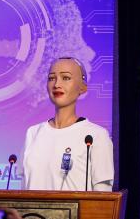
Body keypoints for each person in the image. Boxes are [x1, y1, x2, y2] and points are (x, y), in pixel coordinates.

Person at [23, 57, 114, 192]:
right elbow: (23, 191)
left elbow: (102, 203)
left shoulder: (97, 135)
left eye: (66, 78)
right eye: (51, 78)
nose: (57, 84)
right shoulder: (33, 133)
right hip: (32, 214)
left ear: (82, 88)